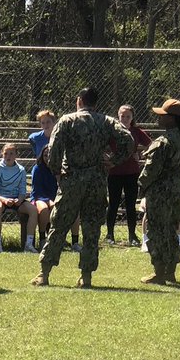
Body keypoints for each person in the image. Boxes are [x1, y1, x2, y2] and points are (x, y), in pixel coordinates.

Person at [31, 87, 132, 288]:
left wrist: (58, 173)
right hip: (96, 181)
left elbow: (53, 150)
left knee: (59, 226)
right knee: (91, 229)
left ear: (79, 101)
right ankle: (86, 276)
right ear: (96, 103)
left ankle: (44, 273)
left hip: (72, 180)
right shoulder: (106, 121)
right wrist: (114, 160)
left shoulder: (67, 121)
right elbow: (128, 141)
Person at [139, 99, 180, 284]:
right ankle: (171, 272)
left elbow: (151, 169)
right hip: (178, 188)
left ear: (172, 119)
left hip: (161, 189)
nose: (158, 117)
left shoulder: (163, 142)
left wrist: (142, 186)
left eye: (163, 115)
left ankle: (159, 272)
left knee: (156, 229)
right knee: (171, 228)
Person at [29, 110, 79, 250]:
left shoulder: (60, 137)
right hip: (44, 173)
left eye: (48, 122)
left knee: (69, 206)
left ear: (54, 122)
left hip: (58, 171)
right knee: (46, 207)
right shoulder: (35, 138)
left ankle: (71, 241)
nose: (45, 125)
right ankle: (45, 239)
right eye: (42, 122)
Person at [107, 105, 150, 246]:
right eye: (122, 116)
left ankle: (132, 236)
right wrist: (108, 159)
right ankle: (110, 235)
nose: (124, 119)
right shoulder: (112, 130)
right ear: (117, 116)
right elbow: (100, 145)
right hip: (114, 172)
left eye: (128, 116)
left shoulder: (136, 132)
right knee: (113, 204)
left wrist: (142, 154)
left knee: (130, 205)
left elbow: (152, 144)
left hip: (131, 173)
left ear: (132, 118)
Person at [0, 143, 36, 253]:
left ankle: (28, 244)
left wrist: (19, 200)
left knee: (33, 210)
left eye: (11, 153)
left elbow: (22, 191)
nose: (8, 156)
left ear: (16, 155)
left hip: (16, 199)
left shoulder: (21, 170)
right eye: (5, 154)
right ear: (2, 154)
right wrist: (5, 200)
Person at [31, 146, 58, 250]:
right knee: (44, 209)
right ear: (42, 156)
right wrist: (48, 200)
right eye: (45, 155)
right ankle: (42, 238)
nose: (47, 157)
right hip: (39, 197)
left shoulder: (57, 169)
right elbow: (37, 190)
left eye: (50, 155)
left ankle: (69, 241)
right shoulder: (37, 169)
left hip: (54, 198)